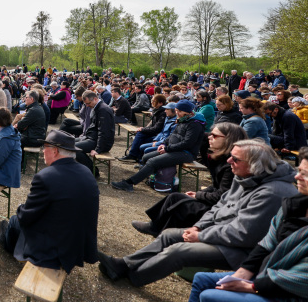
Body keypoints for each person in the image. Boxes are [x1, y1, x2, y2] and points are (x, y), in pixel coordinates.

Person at [98, 140, 298, 287]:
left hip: (246, 251)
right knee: (169, 234)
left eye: (235, 158)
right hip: (223, 234)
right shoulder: (245, 174)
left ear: (256, 164)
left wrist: (200, 236)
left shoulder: (273, 192)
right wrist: (198, 226)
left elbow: (243, 234)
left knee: (179, 251)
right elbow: (220, 206)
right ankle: (123, 265)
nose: (229, 161)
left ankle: (134, 278)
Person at [188, 146, 308, 302]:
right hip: (266, 273)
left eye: (304, 174)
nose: (297, 177)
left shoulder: (271, 191)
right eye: (299, 170)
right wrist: (243, 272)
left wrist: (253, 286)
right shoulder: (294, 205)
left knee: (210, 295)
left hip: (291, 291)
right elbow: (266, 243)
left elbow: (302, 279)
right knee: (202, 279)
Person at [0, 129, 98, 273]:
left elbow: (25, 217)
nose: (42, 151)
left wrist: (21, 208)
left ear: (55, 151)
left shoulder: (46, 177)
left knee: (14, 220)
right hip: (79, 243)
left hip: (55, 247)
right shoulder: (86, 171)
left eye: (45, 147)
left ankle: (7, 243)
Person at [132, 123, 247, 236]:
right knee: (174, 197)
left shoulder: (231, 165)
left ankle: (165, 236)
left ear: (228, 140)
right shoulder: (219, 158)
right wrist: (200, 193)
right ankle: (155, 227)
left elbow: (223, 195)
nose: (209, 137)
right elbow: (217, 186)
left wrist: (198, 195)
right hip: (217, 201)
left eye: (215, 136)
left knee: (182, 205)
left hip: (223, 209)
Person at [111, 100, 205, 193]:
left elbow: (187, 143)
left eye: (179, 111)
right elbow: (172, 135)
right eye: (176, 110)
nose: (177, 113)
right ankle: (151, 178)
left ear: (188, 112)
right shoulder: (183, 119)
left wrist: (167, 148)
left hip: (186, 153)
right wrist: (163, 144)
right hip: (173, 149)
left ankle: (129, 183)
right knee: (146, 156)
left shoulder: (195, 124)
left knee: (152, 162)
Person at [74, 90, 115, 171]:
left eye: (88, 103)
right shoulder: (96, 107)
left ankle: (93, 171)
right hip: (92, 137)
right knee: (68, 142)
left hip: (101, 143)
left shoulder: (103, 110)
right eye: (85, 104)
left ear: (95, 99)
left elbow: (104, 132)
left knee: (74, 148)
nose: (87, 105)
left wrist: (98, 149)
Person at [118, 95, 167, 162]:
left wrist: (143, 129)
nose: (152, 102)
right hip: (155, 132)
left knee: (140, 134)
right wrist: (144, 128)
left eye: (154, 101)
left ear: (161, 103)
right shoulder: (157, 110)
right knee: (141, 135)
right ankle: (136, 156)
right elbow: (152, 125)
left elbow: (157, 129)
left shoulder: (162, 113)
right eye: (152, 100)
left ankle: (133, 155)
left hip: (158, 135)